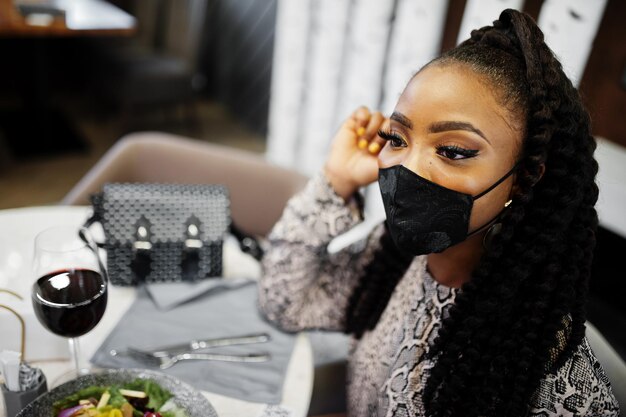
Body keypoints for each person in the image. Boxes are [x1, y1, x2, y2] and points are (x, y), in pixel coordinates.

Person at [259, 9, 620, 417]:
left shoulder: (543, 362)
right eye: (396, 138)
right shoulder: (392, 260)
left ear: (524, 178)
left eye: (452, 151)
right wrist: (336, 180)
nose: (408, 168)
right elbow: (284, 302)